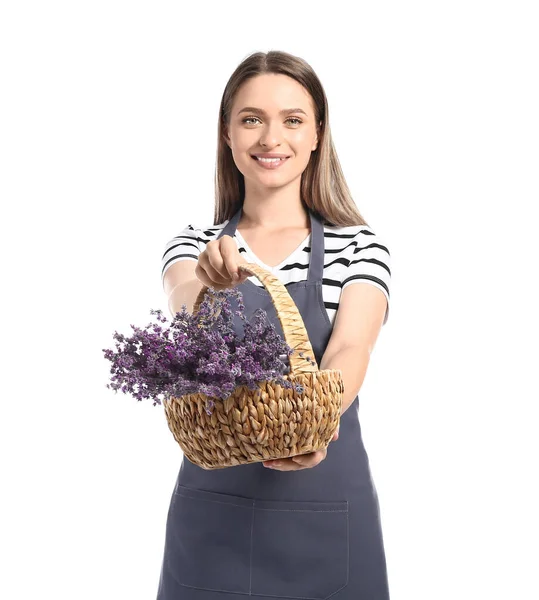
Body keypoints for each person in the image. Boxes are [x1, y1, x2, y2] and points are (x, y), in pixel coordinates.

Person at [157, 50, 392, 600]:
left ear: (317, 134)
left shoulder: (359, 247)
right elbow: (183, 297)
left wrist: (315, 421)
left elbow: (352, 348)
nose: (271, 138)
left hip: (325, 513)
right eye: (251, 119)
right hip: (212, 524)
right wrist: (209, 280)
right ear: (227, 134)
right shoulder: (193, 245)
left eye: (292, 119)